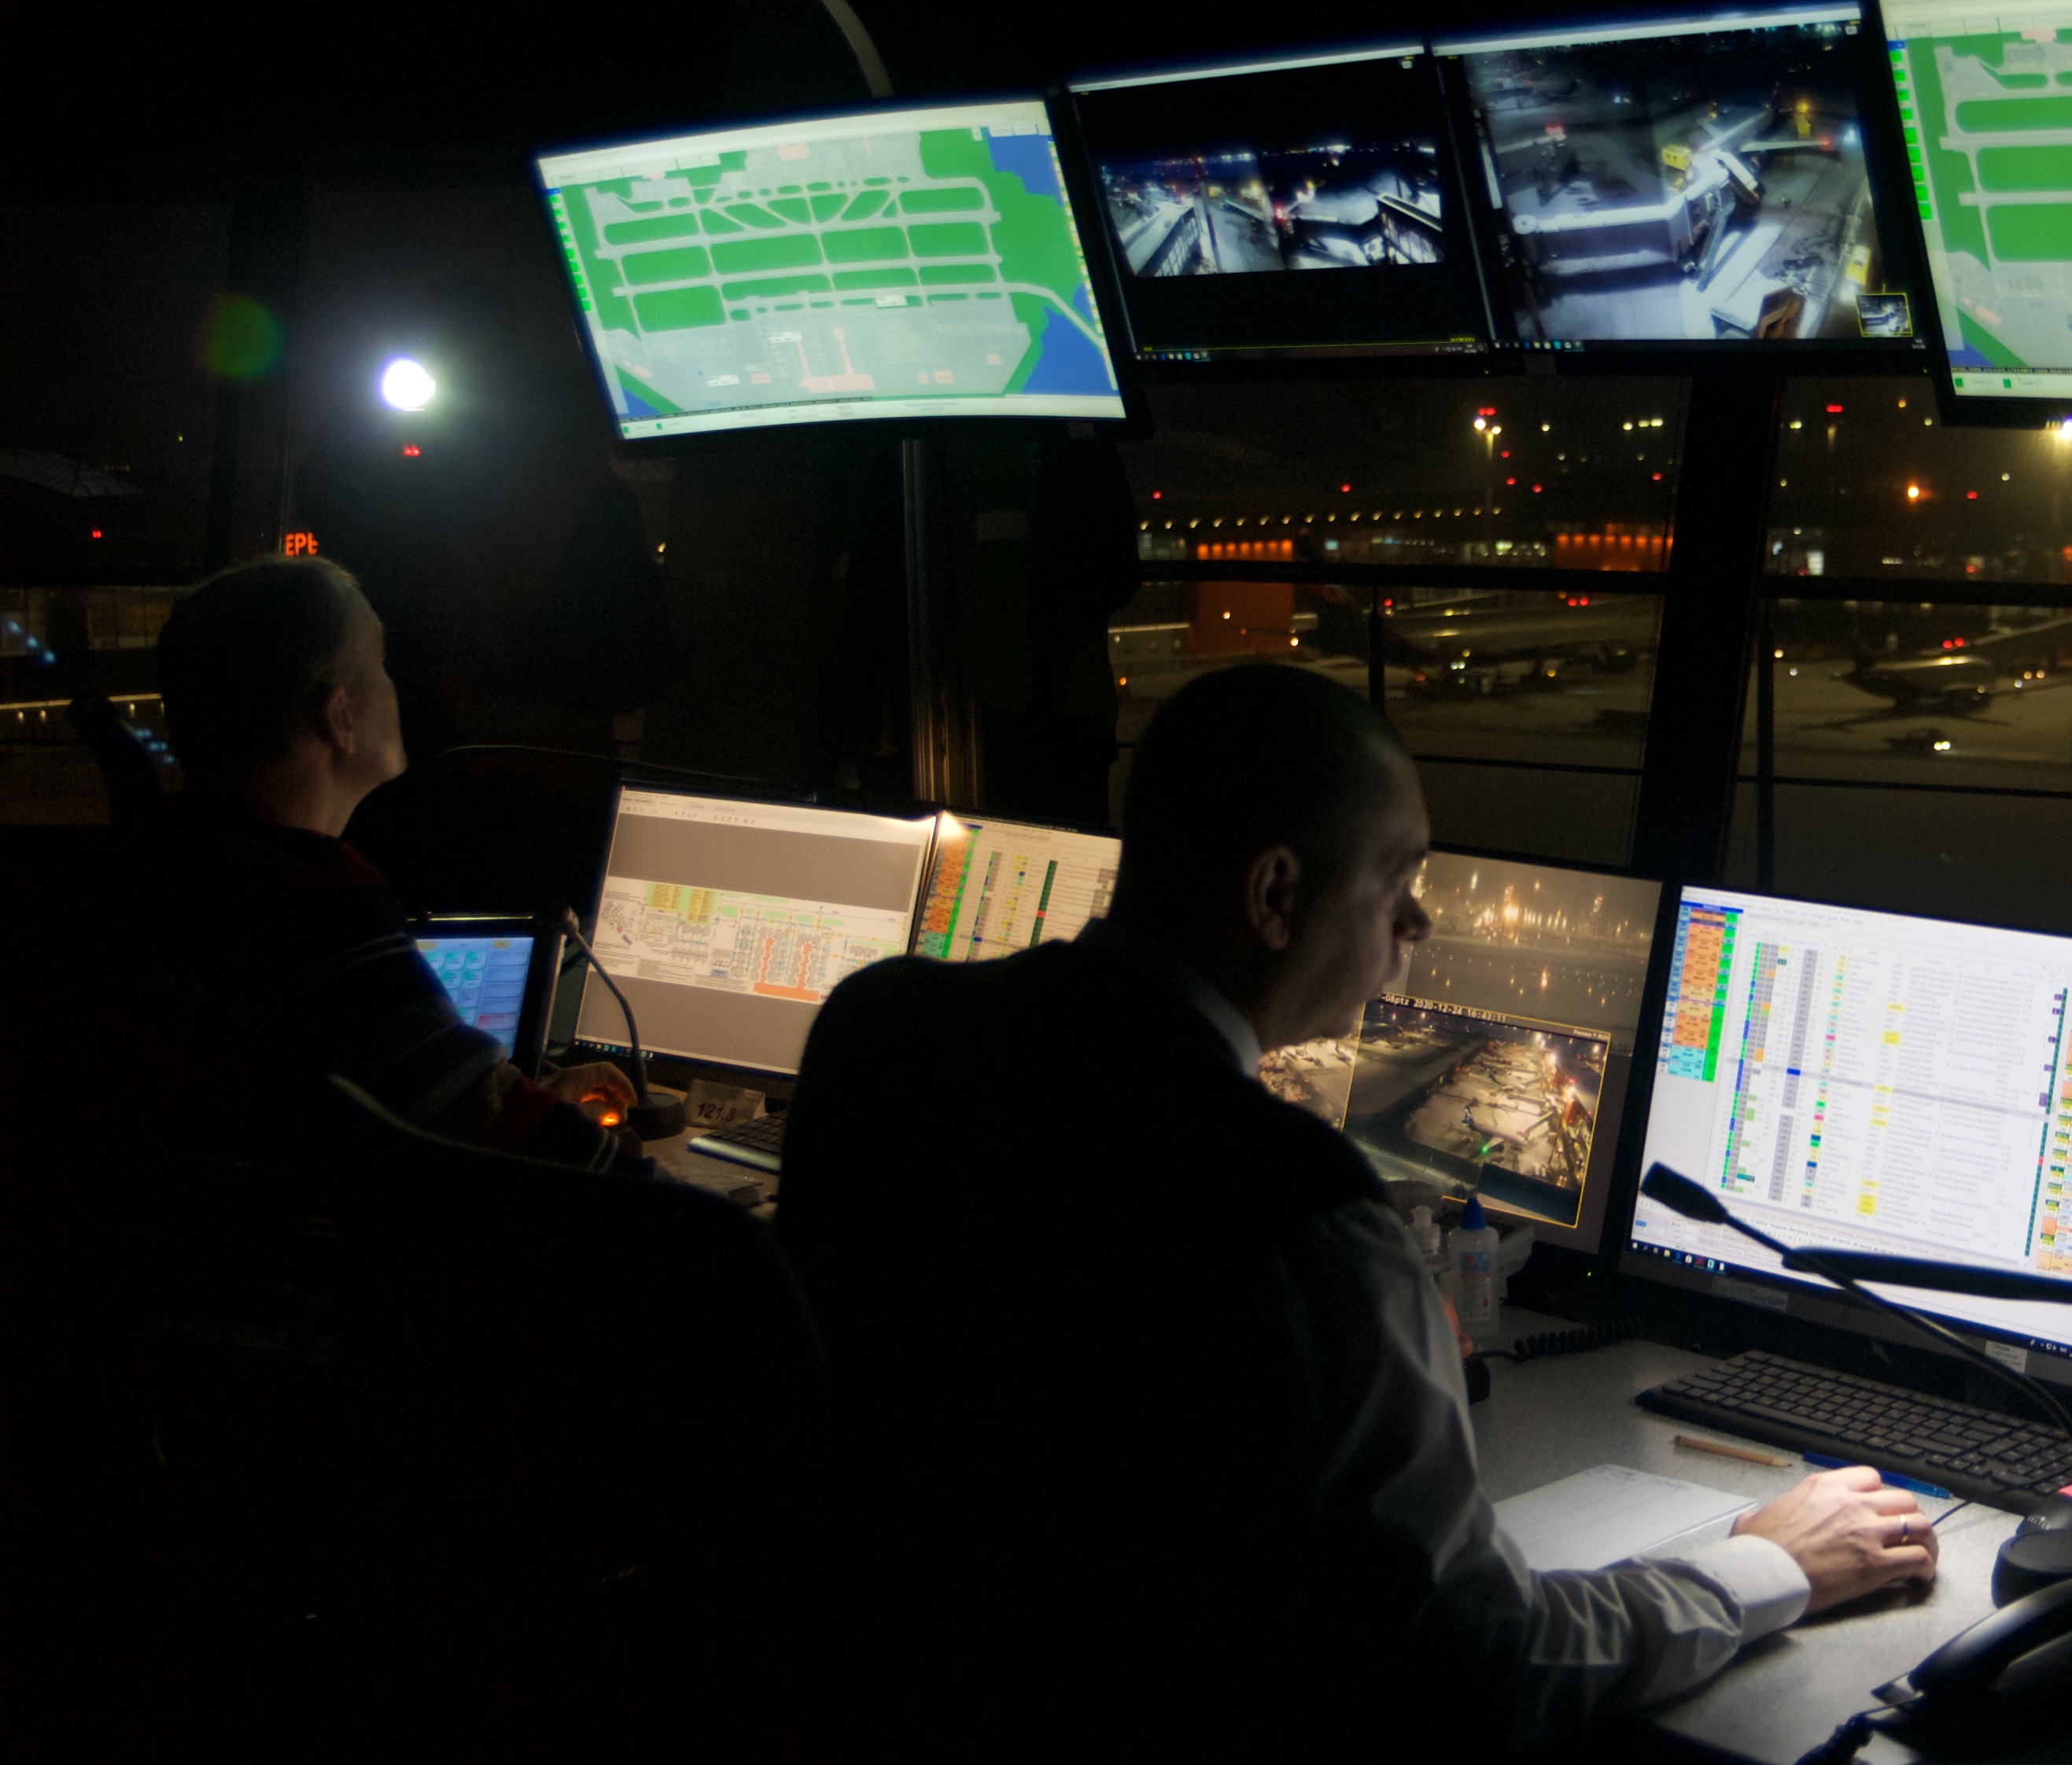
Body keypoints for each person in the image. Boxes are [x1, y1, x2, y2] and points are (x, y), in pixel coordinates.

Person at [775, 665, 1938, 1759]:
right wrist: (1764, 1567)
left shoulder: (880, 1030)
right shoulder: (1302, 1213)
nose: (1415, 922)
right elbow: (1488, 1664)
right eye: (1397, 879)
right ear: (1275, 895)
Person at [114, 555, 633, 1169]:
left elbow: (421, 1093)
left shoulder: (170, 862)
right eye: (381, 666)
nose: (398, 688)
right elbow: (492, 1126)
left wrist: (522, 1095)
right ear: (340, 717)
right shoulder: (313, 898)